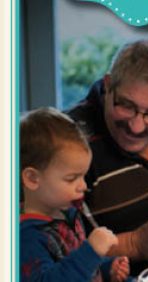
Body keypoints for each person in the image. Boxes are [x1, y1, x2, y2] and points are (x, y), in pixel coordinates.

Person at [66, 40, 148, 272]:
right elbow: (55, 257)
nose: (136, 127)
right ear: (108, 86)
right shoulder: (68, 142)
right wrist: (135, 244)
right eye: (126, 105)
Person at [20, 107, 130, 281]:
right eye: (71, 179)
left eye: (83, 176)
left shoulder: (67, 212)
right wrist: (91, 252)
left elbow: (76, 265)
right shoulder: (25, 236)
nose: (83, 186)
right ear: (33, 179)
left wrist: (108, 267)